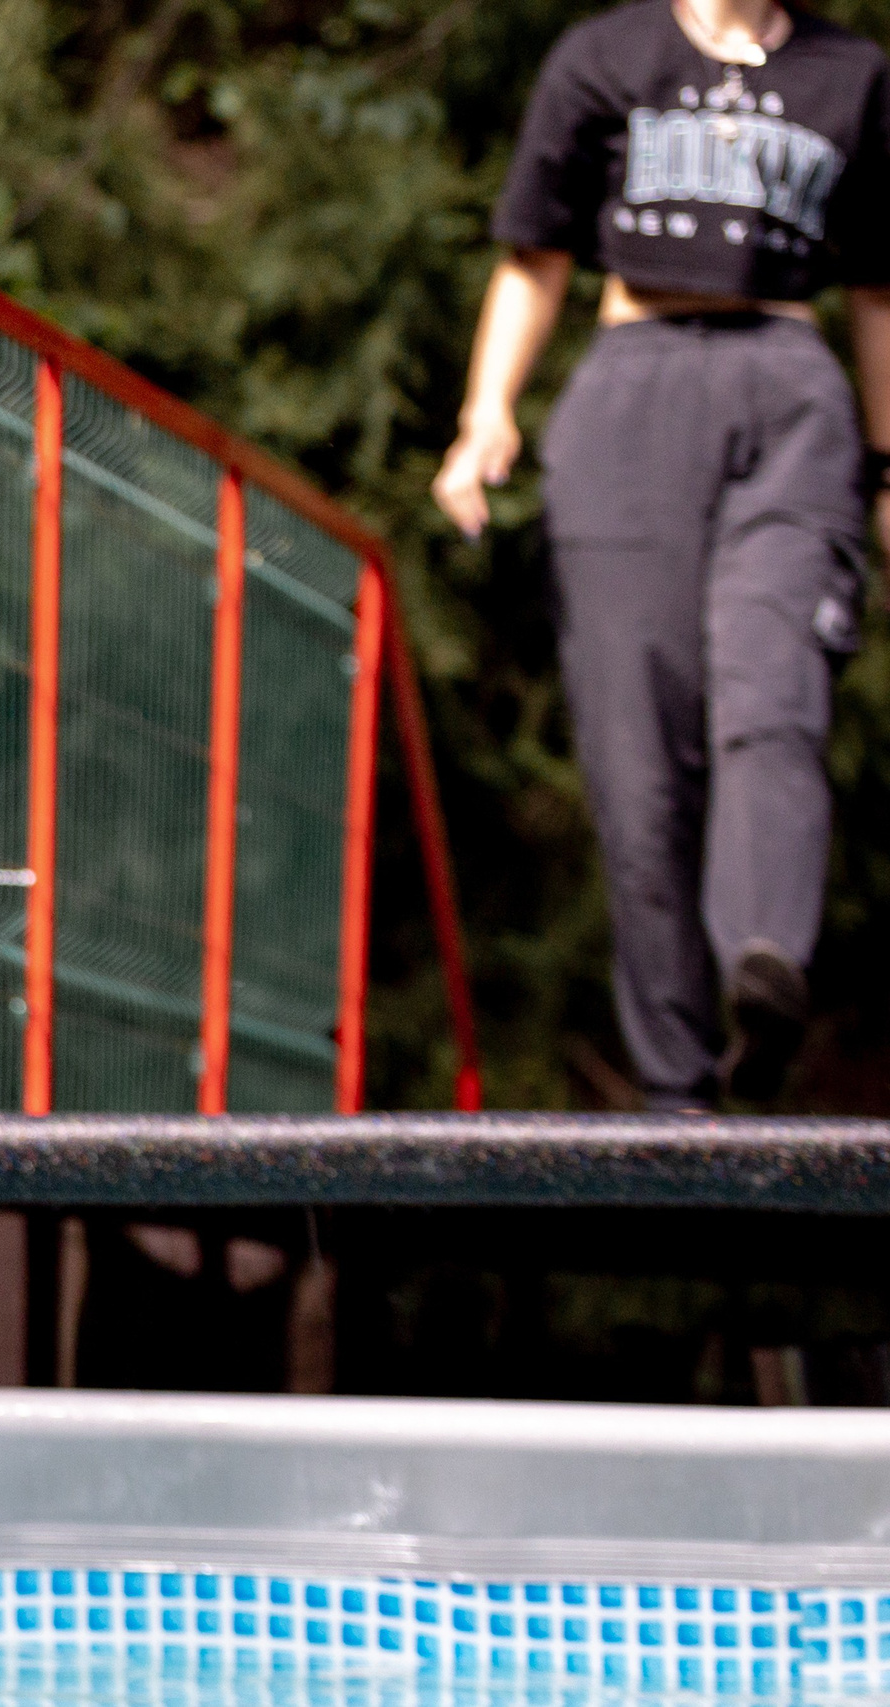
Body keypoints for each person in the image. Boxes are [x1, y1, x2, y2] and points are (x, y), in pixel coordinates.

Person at [435, 0, 890, 1109]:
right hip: (630, 392)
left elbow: (878, 292)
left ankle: (762, 963)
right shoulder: (605, 56)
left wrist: (887, 469)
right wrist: (485, 412)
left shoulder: (854, 76)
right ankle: (679, 1086)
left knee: (772, 691)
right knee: (638, 764)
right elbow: (533, 256)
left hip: (788, 395)